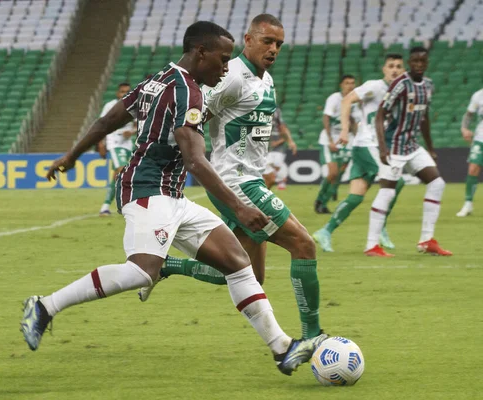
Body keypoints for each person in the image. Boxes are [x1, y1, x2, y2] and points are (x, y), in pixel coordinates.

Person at [20, 21, 326, 376]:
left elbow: (111, 119)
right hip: (148, 190)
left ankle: (281, 348)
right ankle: (44, 306)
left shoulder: (159, 78)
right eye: (223, 59)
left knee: (239, 264)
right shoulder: (188, 93)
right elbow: (196, 160)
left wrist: (71, 155)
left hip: (172, 195)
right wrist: (239, 207)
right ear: (201, 53)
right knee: (141, 272)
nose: (227, 67)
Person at [137, 14, 325, 342]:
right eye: (267, 41)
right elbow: (192, 121)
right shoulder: (232, 78)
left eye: (279, 44)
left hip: (251, 179)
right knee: (304, 245)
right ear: (248, 40)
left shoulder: (264, 79)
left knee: (247, 274)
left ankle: (166, 267)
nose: (274, 49)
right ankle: (313, 337)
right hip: (236, 182)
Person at [313, 54, 405, 252]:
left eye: (398, 66)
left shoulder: (402, 91)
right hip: (367, 144)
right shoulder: (374, 86)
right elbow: (347, 100)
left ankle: (325, 231)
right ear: (384, 69)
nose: (395, 70)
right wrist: (345, 130)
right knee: (397, 180)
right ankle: (380, 228)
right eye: (391, 66)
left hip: (374, 146)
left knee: (355, 196)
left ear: (403, 70)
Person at [365, 46, 451, 257]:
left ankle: (426, 240)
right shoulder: (400, 84)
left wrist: (430, 147)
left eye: (423, 61)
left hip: (412, 145)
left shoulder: (428, 85)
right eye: (415, 61)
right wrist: (383, 148)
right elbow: (380, 115)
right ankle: (371, 245)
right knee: (387, 191)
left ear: (427, 63)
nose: (419, 65)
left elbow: (424, 117)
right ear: (409, 63)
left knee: (437, 183)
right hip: (394, 146)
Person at [314, 75, 356, 214]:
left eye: (352, 83)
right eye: (347, 83)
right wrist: (330, 140)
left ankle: (324, 204)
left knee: (339, 174)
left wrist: (356, 139)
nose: (350, 86)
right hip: (329, 140)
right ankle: (319, 200)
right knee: (333, 173)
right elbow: (326, 118)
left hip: (346, 140)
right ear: (341, 85)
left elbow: (354, 122)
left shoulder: (355, 100)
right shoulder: (334, 98)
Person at [98, 82, 136, 216]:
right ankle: (127, 204)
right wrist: (101, 142)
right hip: (114, 140)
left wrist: (131, 132)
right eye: (122, 92)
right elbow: (101, 124)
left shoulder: (134, 104)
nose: (124, 94)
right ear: (117, 93)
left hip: (127, 143)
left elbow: (139, 125)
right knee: (122, 170)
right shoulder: (110, 106)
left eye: (127, 91)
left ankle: (105, 206)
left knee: (118, 175)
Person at [456, 88, 483, 217]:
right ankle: (468, 203)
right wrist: (464, 129)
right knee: (473, 169)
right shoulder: (478, 95)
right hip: (481, 138)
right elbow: (469, 115)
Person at [263, 106, 297, 189]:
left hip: (277, 148)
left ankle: (260, 198)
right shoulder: (254, 109)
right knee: (268, 174)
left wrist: (290, 142)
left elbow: (283, 128)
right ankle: (281, 179)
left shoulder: (276, 111)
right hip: (261, 147)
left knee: (272, 173)